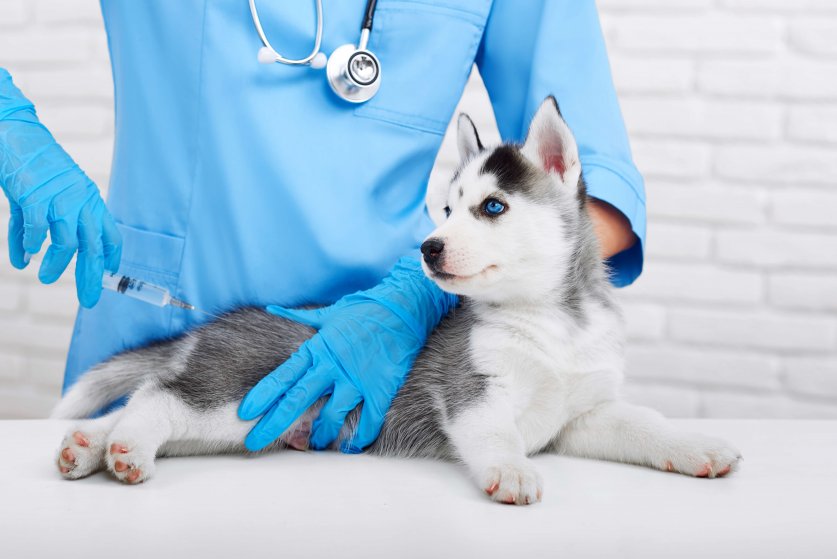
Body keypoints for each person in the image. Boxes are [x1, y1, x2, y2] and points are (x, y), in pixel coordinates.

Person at [0, 0, 644, 453]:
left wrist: (411, 297)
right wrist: (8, 125)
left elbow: (594, 199)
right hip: (164, 328)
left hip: (383, 374)